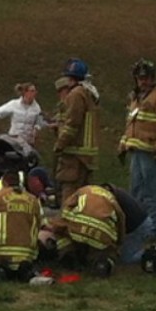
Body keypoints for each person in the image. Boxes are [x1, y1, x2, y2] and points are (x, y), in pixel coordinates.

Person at [118, 58, 156, 244]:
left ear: (153, 78)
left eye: (147, 78)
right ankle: (139, 228)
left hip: (152, 154)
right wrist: (123, 144)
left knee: (154, 193)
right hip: (136, 151)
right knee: (136, 192)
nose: (143, 81)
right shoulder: (136, 97)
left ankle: (154, 230)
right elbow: (131, 123)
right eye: (140, 78)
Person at [0, 170, 46, 282]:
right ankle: (24, 271)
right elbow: (39, 223)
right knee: (21, 263)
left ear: (4, 182)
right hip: (27, 252)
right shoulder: (33, 200)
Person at [48, 184, 126, 277]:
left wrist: (59, 227)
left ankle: (68, 256)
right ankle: (102, 264)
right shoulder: (112, 199)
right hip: (101, 233)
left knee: (62, 235)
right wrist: (118, 242)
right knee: (107, 250)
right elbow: (121, 219)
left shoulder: (83, 191)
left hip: (78, 227)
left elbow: (65, 209)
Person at [53, 59, 100, 204]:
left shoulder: (76, 95)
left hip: (74, 155)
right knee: (84, 197)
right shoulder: (88, 94)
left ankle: (67, 225)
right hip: (85, 157)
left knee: (70, 194)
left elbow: (72, 125)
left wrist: (59, 145)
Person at [0, 82, 47, 153]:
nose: (35, 93)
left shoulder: (36, 108)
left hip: (28, 141)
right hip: (14, 139)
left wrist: (37, 128)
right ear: (25, 93)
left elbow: (39, 120)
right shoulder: (14, 104)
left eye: (35, 91)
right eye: (32, 91)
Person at [100, 183, 152, 264]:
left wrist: (119, 243)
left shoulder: (109, 201)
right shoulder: (109, 193)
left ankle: (152, 253)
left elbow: (121, 220)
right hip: (140, 223)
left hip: (139, 227)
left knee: (126, 259)